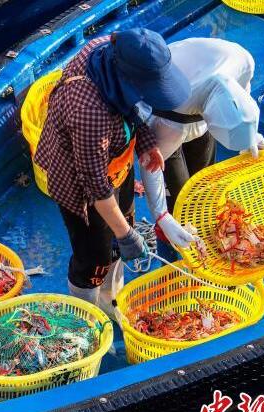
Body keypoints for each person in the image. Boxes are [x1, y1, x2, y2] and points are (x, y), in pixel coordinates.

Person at [33, 28, 191, 314]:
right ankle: (84, 316)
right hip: (79, 184)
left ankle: (110, 300)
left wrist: (145, 142)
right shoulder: (89, 111)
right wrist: (127, 235)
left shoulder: (107, 49)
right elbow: (95, 186)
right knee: (94, 256)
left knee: (119, 236)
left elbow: (133, 108)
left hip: (117, 165)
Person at [138, 38, 264, 250]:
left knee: (205, 194)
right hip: (164, 109)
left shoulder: (244, 62)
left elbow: (239, 98)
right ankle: (171, 262)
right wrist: (161, 216)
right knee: (178, 209)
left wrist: (251, 135)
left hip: (195, 86)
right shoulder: (173, 118)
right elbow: (150, 165)